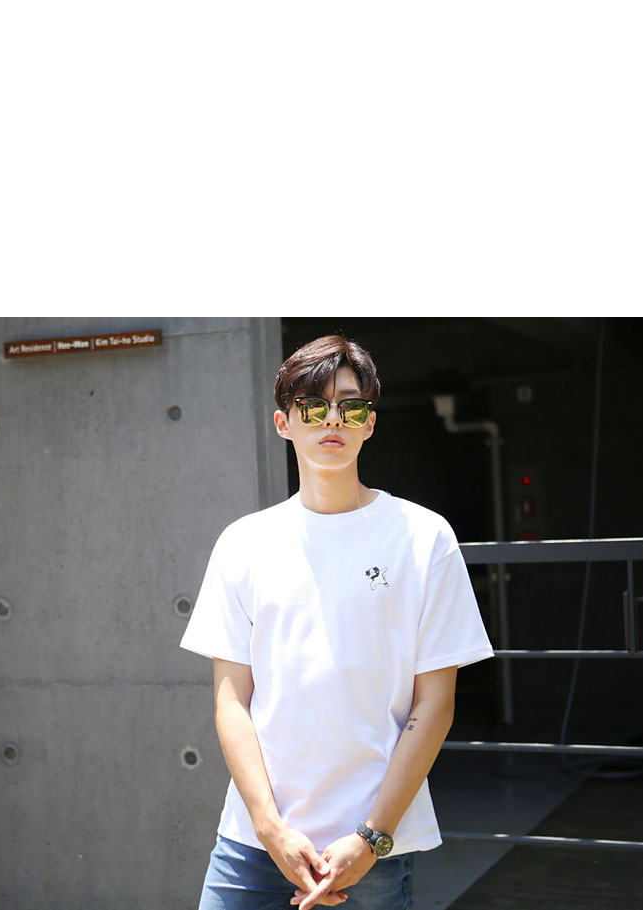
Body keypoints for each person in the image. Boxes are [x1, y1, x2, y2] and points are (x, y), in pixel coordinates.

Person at [179, 331, 494, 910]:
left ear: (369, 423)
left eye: (350, 407)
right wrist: (270, 828)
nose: (332, 420)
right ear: (284, 423)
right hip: (253, 842)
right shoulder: (243, 543)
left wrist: (372, 837)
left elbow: (435, 703)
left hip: (371, 846)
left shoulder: (424, 537)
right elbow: (231, 701)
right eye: (313, 406)